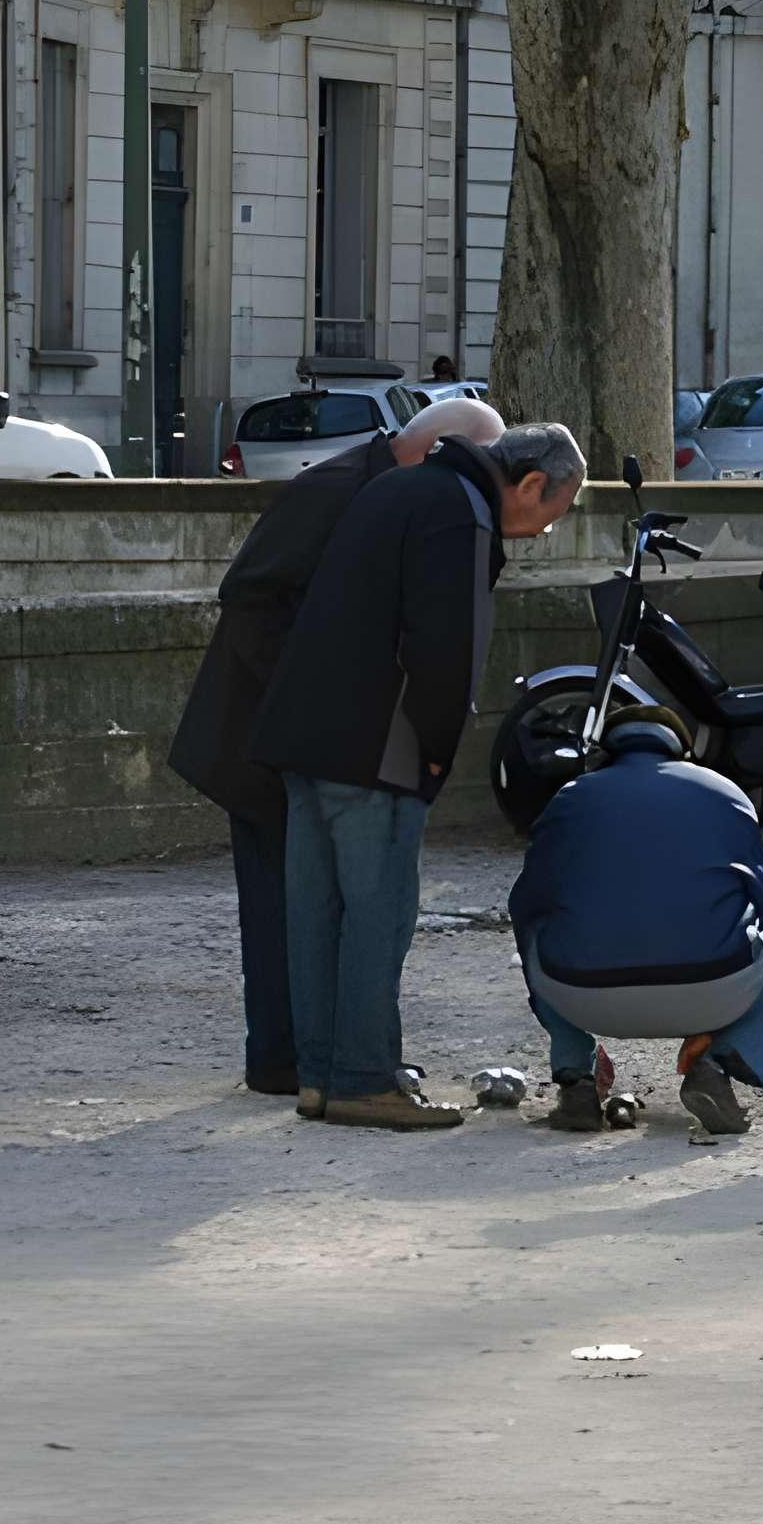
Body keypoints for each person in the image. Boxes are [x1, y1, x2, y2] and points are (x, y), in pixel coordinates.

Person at [252, 423, 587, 1129]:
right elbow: (444, 649)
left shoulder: (397, 486)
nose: (536, 532)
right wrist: (436, 750)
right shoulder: (461, 512)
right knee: (379, 914)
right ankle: (366, 1077)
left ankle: (320, 1076)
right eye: (548, 517)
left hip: (303, 732)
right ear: (530, 484)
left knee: (315, 913)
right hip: (375, 743)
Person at [169, 396, 504, 1096]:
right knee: (286, 910)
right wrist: (316, 697)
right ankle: (289, 1061)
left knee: (300, 908)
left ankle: (301, 1060)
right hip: (272, 735)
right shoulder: (340, 489)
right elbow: (251, 598)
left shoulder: (367, 485)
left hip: (291, 731)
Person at [507, 708, 763, 1136]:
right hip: (714, 993)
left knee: (537, 932)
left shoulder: (571, 796)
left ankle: (575, 1077)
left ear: (606, 754)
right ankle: (715, 1063)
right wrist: (713, 1020)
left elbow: (526, 903)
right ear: (684, 751)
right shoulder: (727, 793)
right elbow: (759, 908)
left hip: (583, 995)